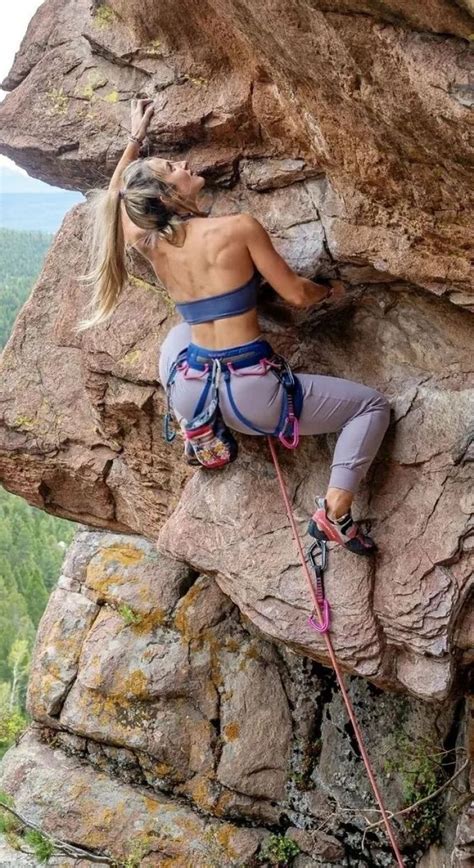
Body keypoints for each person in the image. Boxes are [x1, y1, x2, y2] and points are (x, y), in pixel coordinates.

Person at [77, 98, 391, 556]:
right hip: (254, 398)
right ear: (166, 194)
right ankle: (335, 512)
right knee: (371, 407)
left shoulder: (148, 242)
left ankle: (196, 428)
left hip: (192, 389)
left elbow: (114, 200)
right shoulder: (238, 228)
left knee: (180, 334)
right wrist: (334, 292)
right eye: (172, 166)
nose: (183, 163)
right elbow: (297, 295)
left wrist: (135, 142)